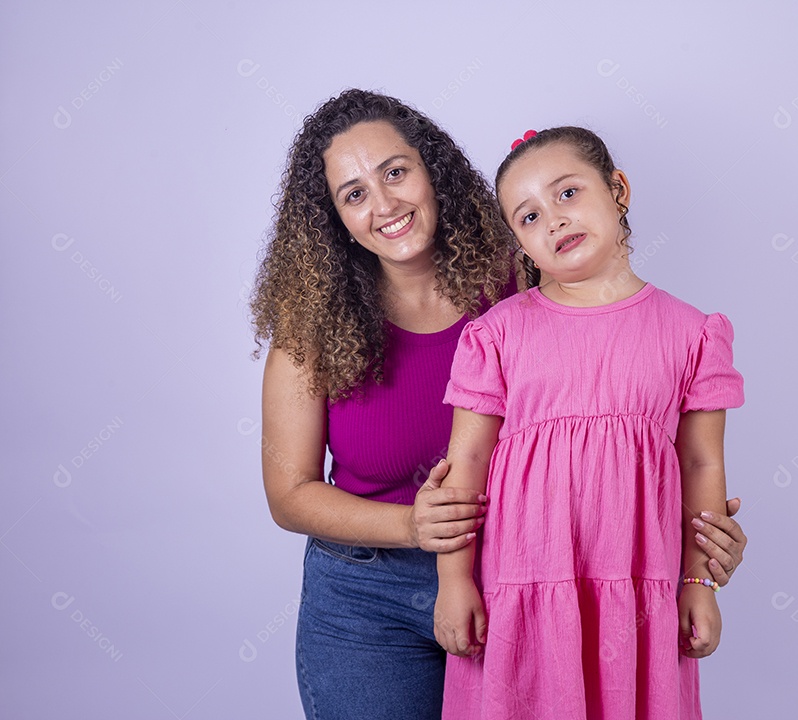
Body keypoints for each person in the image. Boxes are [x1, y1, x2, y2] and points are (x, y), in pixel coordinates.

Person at [251, 91, 748, 720]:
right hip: (365, 593)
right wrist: (414, 527)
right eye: (353, 194)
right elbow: (288, 493)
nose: (384, 205)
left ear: (434, 171)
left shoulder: (528, 278)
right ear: (333, 220)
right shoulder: (312, 331)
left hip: (519, 576)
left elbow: (625, 392)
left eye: (396, 173)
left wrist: (691, 545)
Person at [434, 126, 745, 719]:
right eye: (527, 217)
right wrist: (454, 582)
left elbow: (702, 463)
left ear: (618, 188)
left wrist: (698, 583)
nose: (552, 220)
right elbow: (465, 465)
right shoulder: (497, 335)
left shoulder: (692, 333)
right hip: (521, 583)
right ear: (520, 244)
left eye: (567, 194)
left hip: (638, 585)